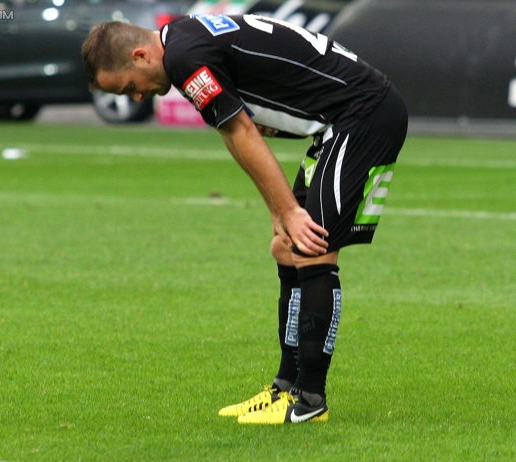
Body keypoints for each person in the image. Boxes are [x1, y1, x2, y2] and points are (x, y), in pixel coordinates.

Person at [82, 14, 408, 424]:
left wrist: (289, 209)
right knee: (286, 247)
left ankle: (310, 401)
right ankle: (286, 389)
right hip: (338, 125)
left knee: (312, 248)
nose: (136, 97)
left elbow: (242, 132)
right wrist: (278, 209)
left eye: (130, 86)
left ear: (140, 55)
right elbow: (235, 132)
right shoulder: (184, 41)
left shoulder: (185, 57)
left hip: (363, 116)